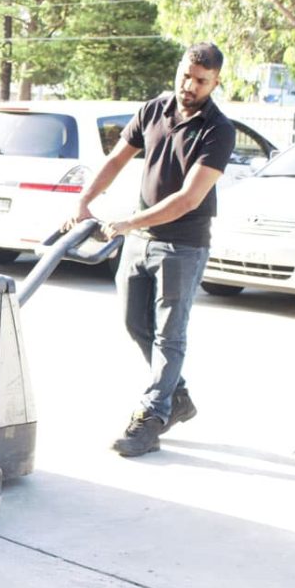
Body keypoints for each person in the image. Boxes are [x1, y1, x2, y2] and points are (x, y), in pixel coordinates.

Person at [66, 42, 236, 457]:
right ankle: (176, 396)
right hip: (141, 241)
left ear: (215, 83)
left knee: (169, 335)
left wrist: (128, 222)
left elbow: (188, 199)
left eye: (200, 81)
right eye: (185, 75)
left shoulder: (218, 129)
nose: (189, 85)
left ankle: (152, 416)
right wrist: (85, 199)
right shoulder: (154, 109)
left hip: (183, 244)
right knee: (134, 325)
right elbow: (117, 159)